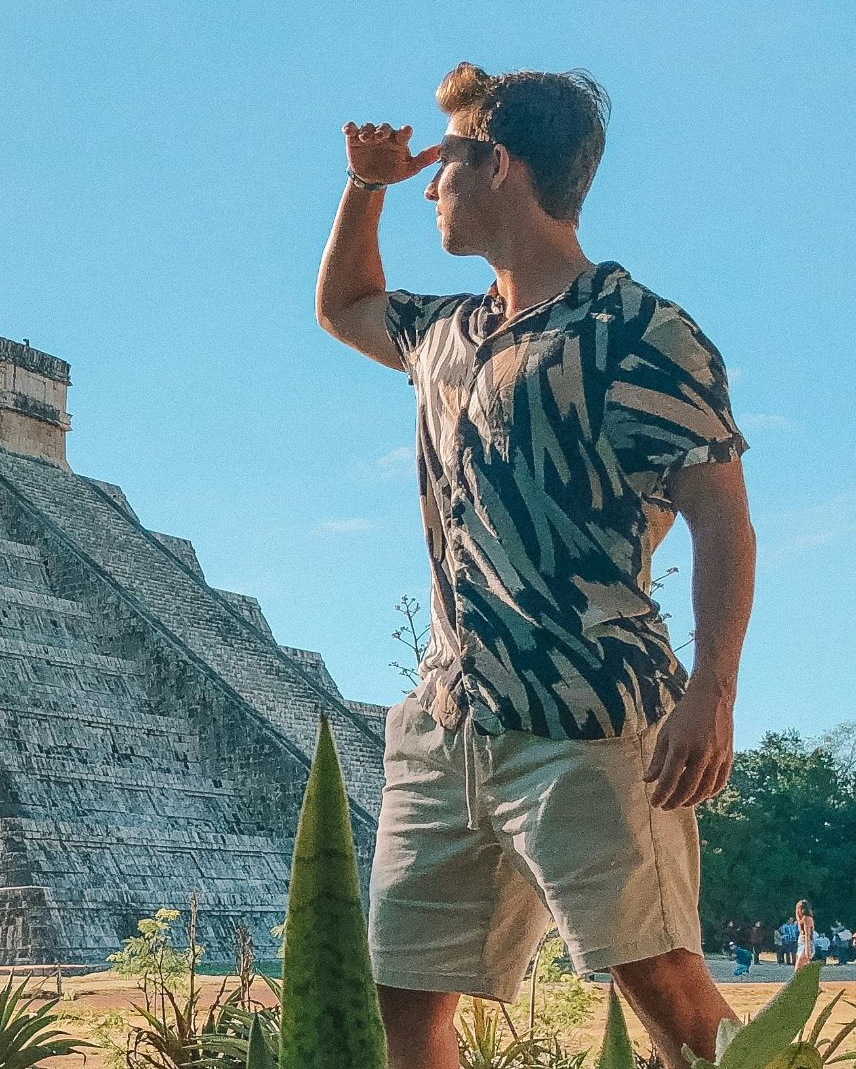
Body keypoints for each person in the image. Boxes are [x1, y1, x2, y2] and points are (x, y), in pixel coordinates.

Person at [317, 62, 755, 1069]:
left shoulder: (640, 334)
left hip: (590, 720)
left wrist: (713, 693)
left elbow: (721, 521)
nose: (430, 187)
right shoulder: (449, 332)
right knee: (405, 999)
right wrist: (364, 186)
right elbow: (345, 305)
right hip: (447, 723)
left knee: (663, 988)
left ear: (498, 165)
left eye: (442, 164)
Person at [795, 901, 817, 969]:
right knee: (802, 970)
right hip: (802, 945)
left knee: (798, 970)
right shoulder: (802, 919)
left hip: (805, 945)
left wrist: (807, 950)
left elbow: (807, 935)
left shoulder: (806, 919)